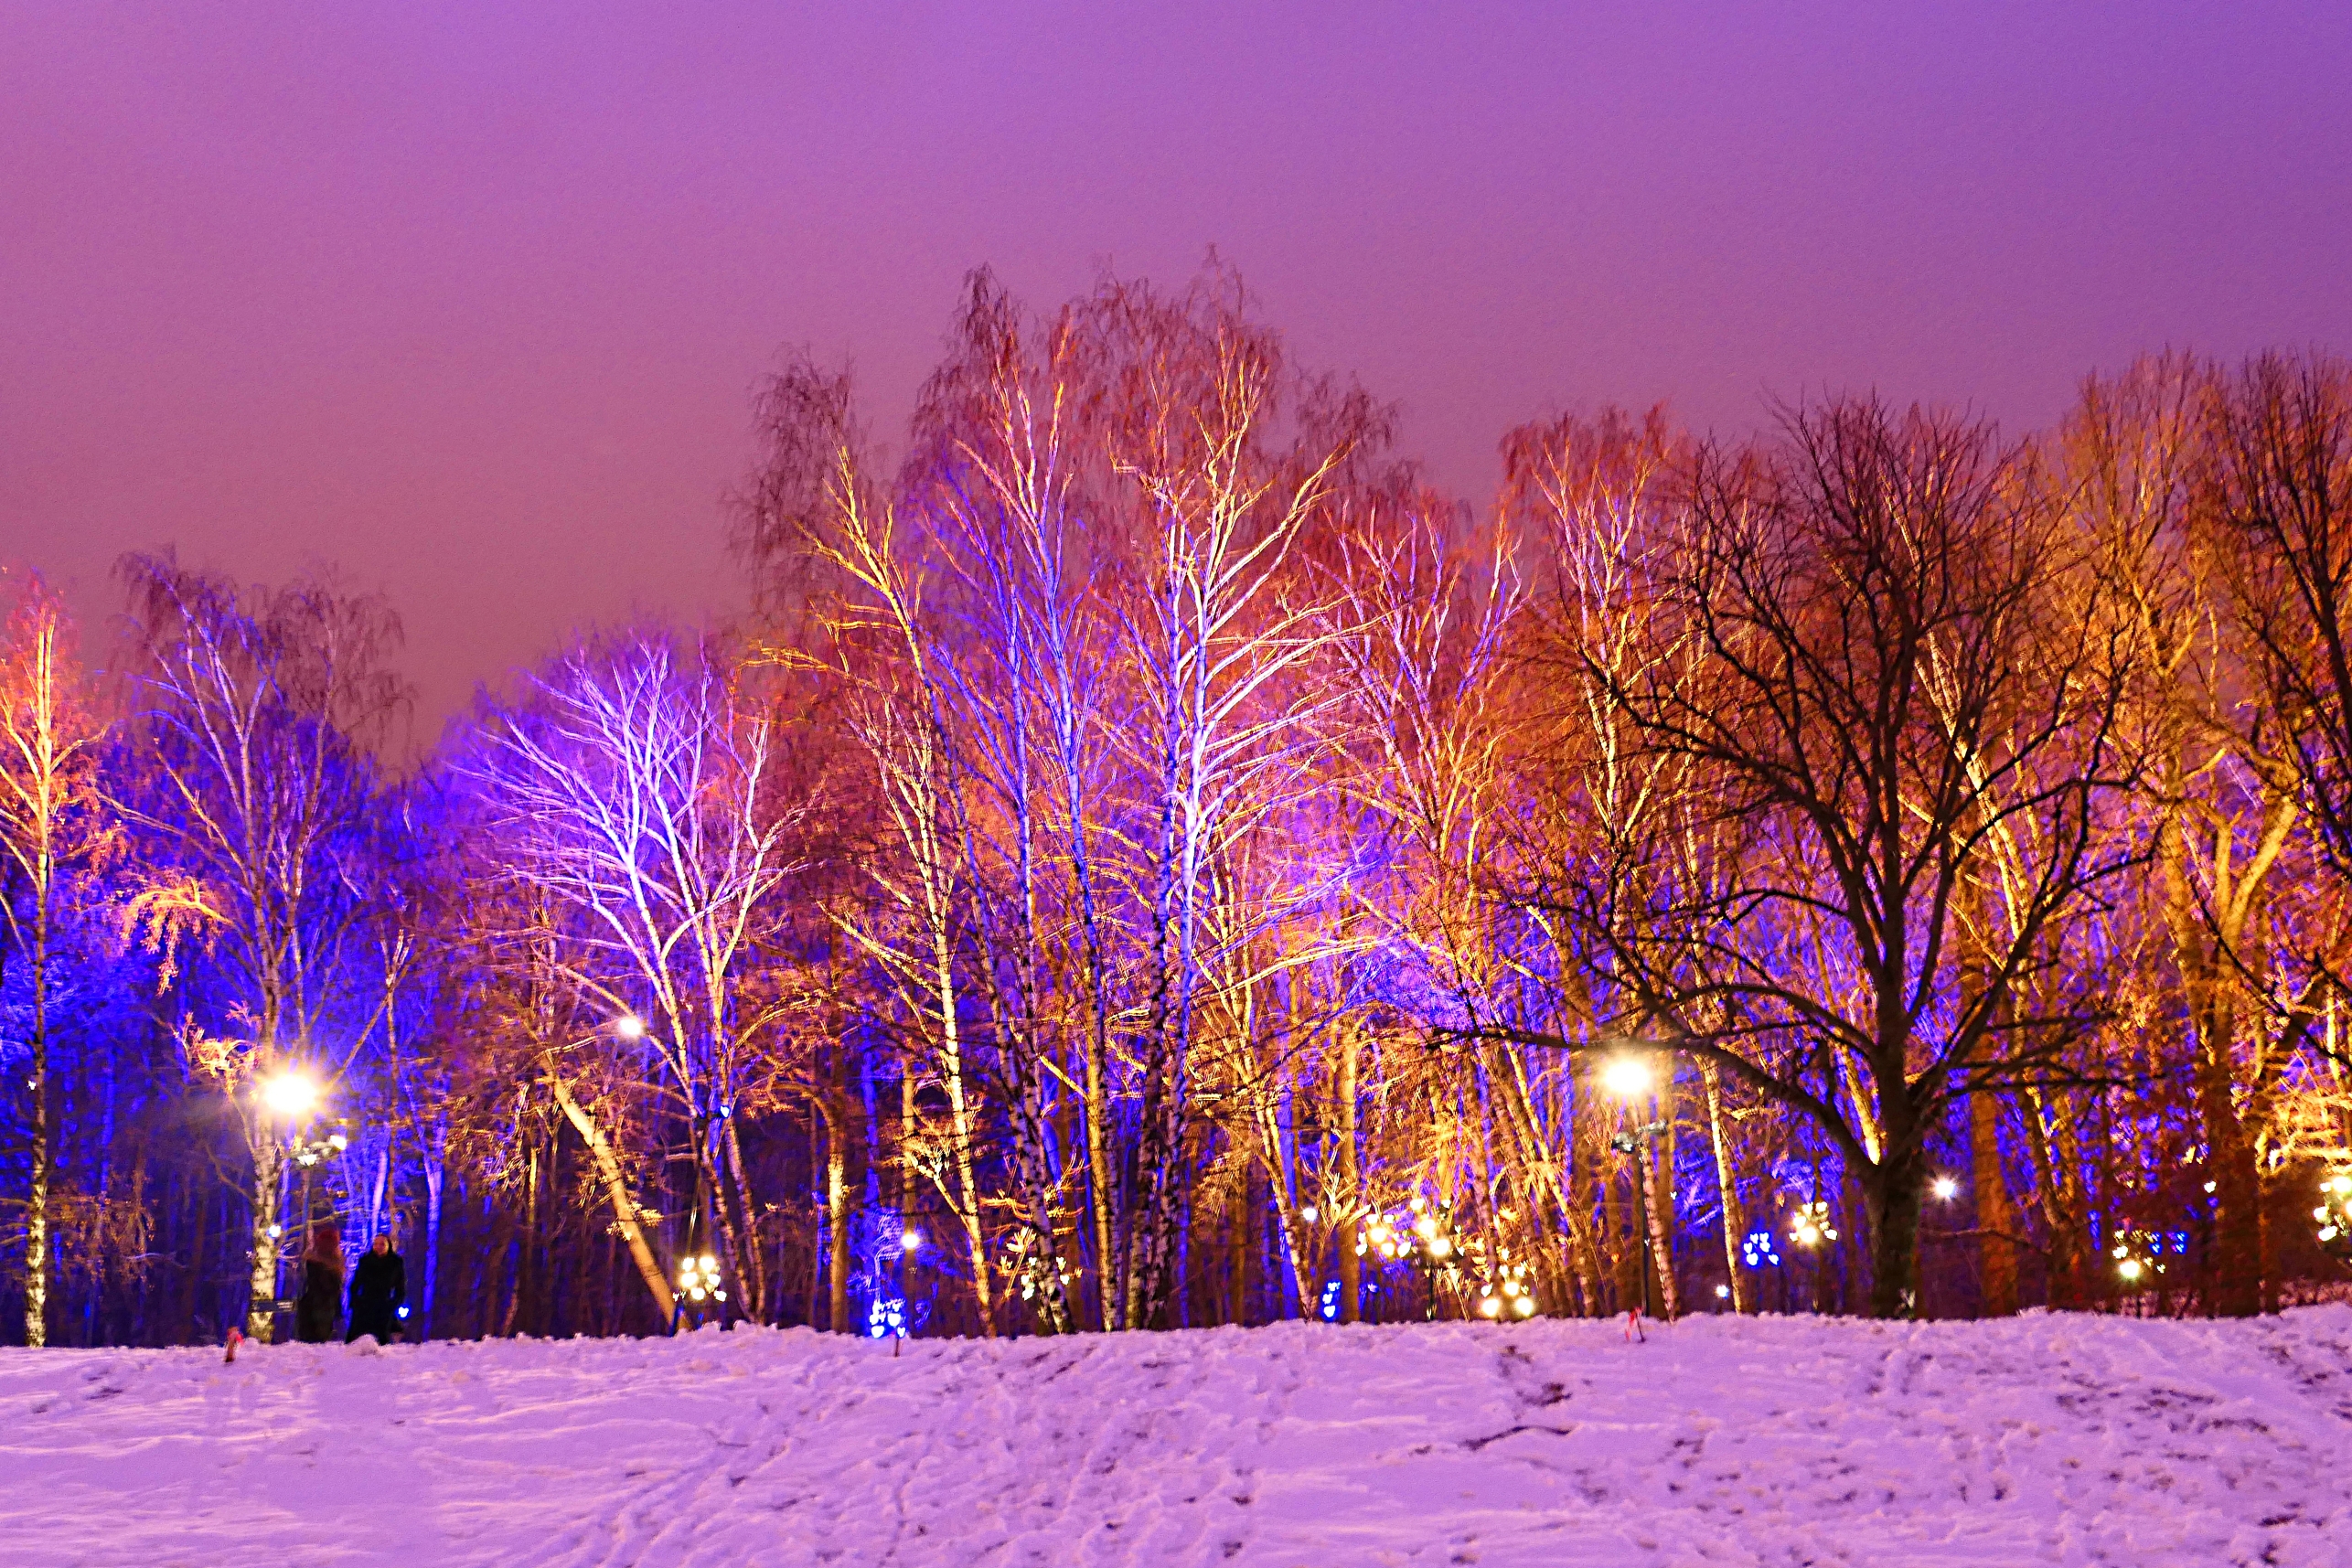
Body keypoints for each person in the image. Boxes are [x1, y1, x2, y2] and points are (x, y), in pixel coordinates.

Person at [346, 1232, 407, 1344]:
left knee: (381, 1339)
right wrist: (355, 1301)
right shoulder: (365, 1261)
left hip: (384, 1305)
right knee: (358, 1338)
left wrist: (394, 1303)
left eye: (382, 1244)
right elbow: (355, 1284)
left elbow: (400, 1286)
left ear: (388, 1245)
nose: (378, 1247)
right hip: (364, 1305)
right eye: (376, 1244)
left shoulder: (395, 1262)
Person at [294, 1220, 344, 1343]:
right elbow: (335, 1289)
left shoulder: (313, 1261)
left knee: (310, 1339)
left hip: (314, 1304)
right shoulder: (335, 1264)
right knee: (319, 1339)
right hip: (323, 1306)